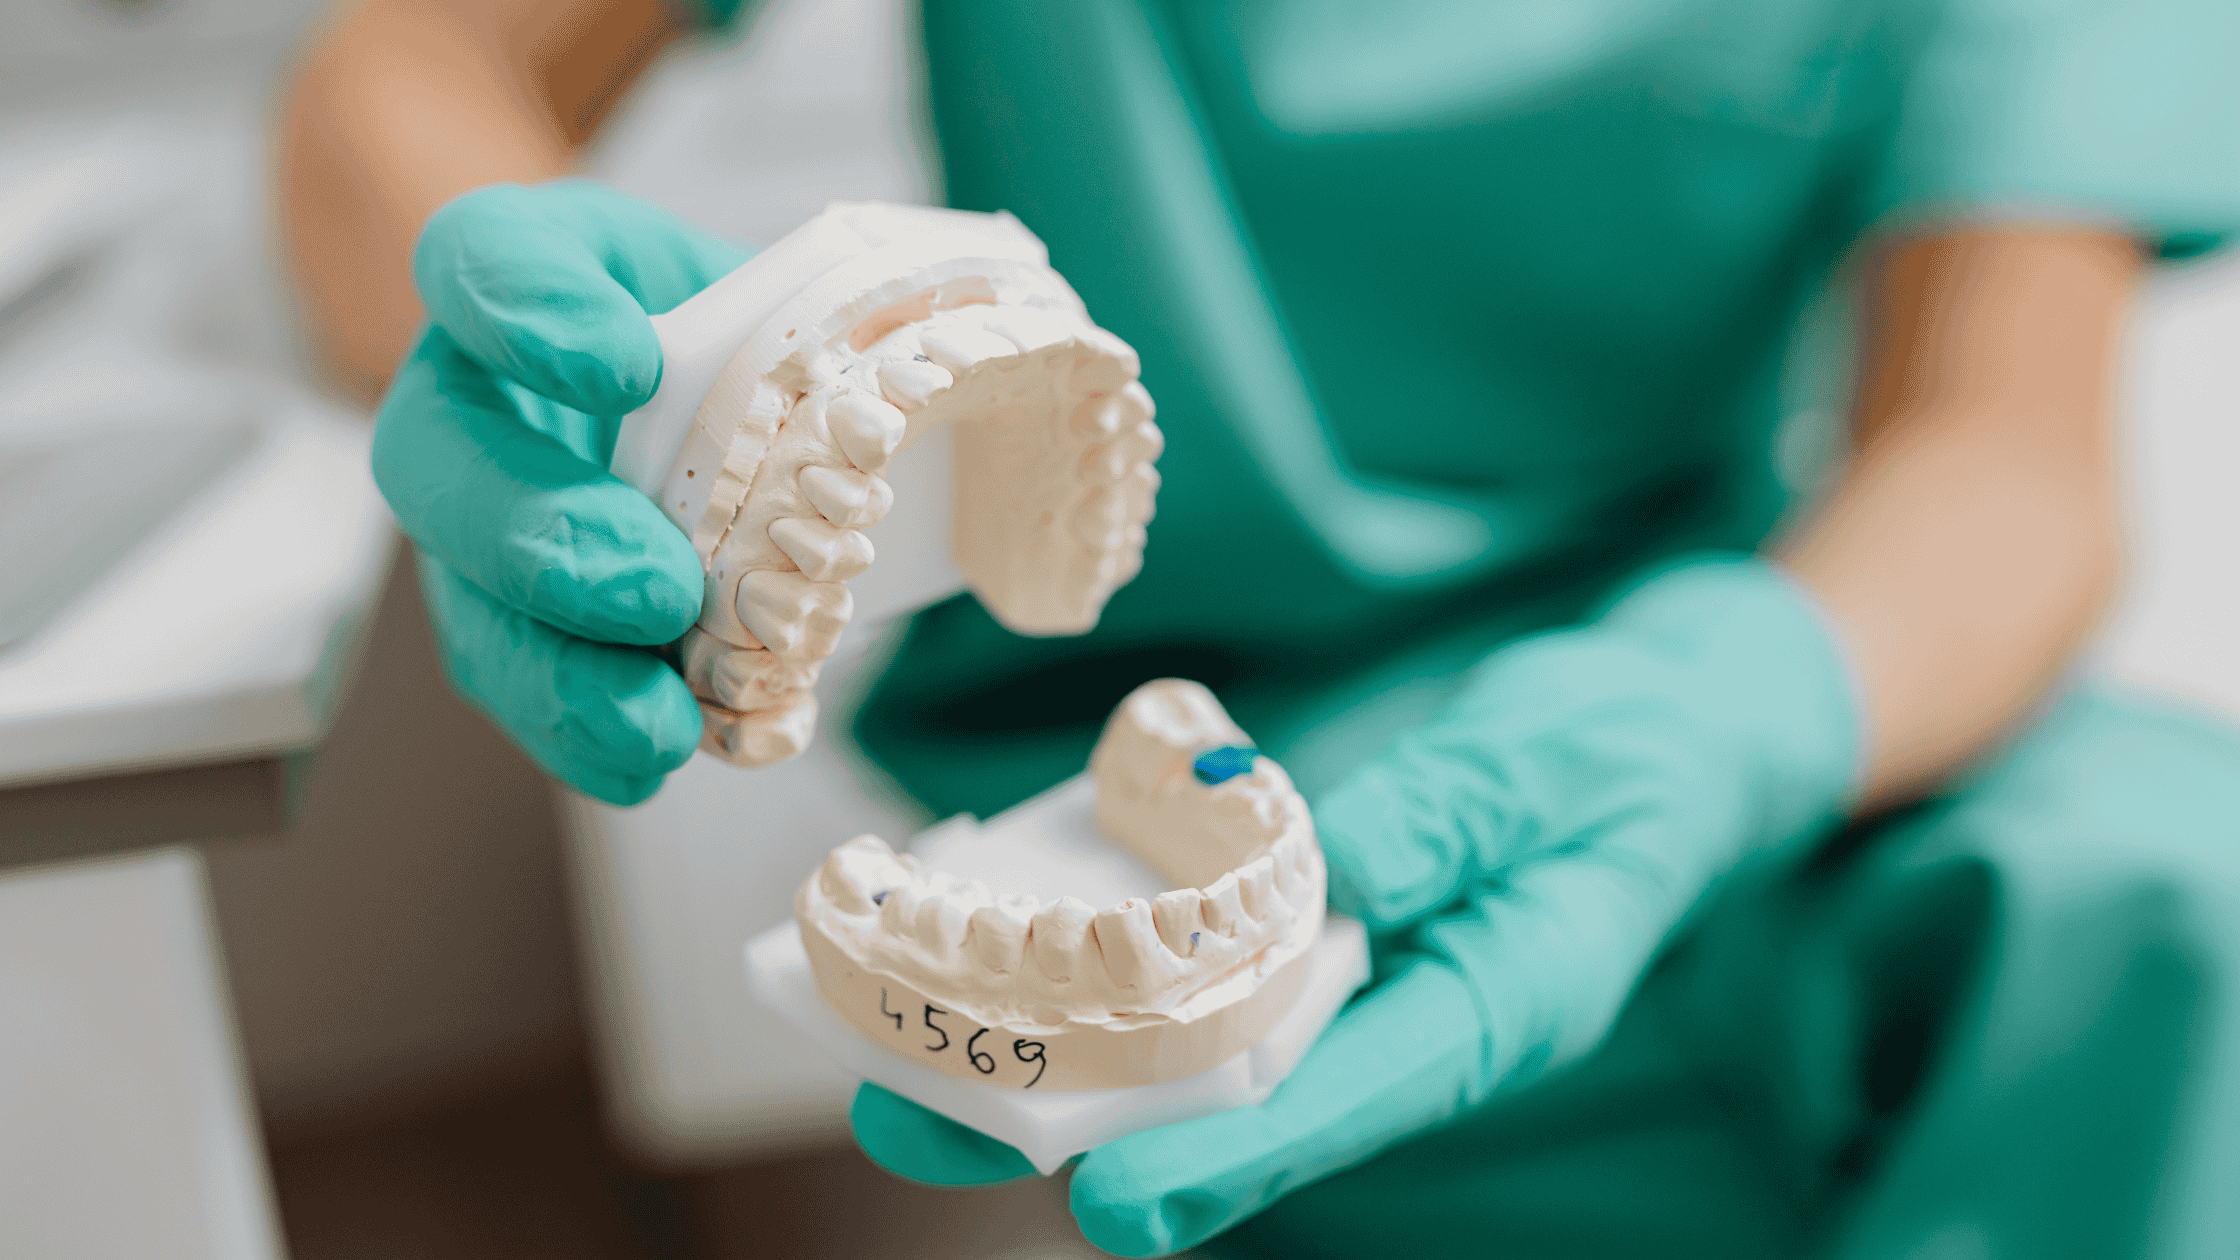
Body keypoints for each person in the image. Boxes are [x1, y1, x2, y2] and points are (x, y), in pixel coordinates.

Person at [282, 1, 2240, 1255]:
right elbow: (411, 65)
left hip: (1742, 706)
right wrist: (566, 373)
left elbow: (2002, 443)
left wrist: (1741, 704)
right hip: (1111, 782)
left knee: (2174, 894)